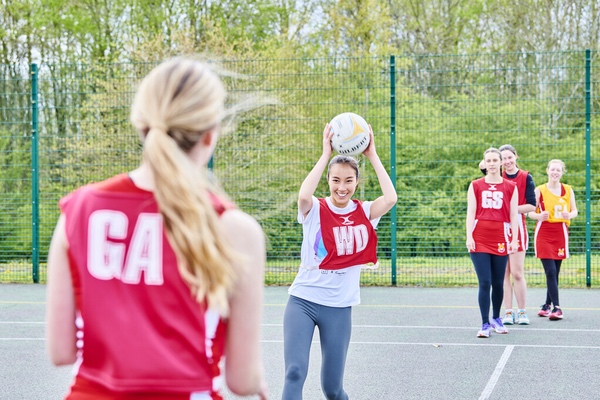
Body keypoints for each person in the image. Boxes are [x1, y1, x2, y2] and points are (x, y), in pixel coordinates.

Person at [46, 58, 268, 400]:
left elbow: (61, 351)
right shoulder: (235, 229)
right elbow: (241, 379)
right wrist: (258, 382)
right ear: (210, 136)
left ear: (140, 124)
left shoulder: (79, 210)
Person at [282, 123, 397, 399]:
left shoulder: (366, 211)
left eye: (348, 180)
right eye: (336, 180)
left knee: (332, 388)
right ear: (328, 181)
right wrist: (325, 154)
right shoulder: (315, 209)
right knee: (294, 372)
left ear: (356, 182)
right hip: (303, 301)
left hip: (339, 307)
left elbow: (391, 198)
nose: (342, 187)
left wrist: (372, 155)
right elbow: (302, 195)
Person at [480, 145, 536, 325]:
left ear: (516, 156)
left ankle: (522, 311)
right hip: (499, 228)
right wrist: (494, 155)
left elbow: (531, 206)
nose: (507, 161)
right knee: (503, 274)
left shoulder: (526, 177)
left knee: (517, 272)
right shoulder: (497, 175)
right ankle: (508, 311)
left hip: (517, 225)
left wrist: (511, 210)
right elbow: (483, 164)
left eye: (510, 157)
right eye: (503, 159)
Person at [467, 148, 519, 338]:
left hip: (501, 237)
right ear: (484, 163)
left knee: (498, 282)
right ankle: (484, 323)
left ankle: (497, 318)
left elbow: (514, 214)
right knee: (485, 282)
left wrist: (514, 239)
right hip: (479, 237)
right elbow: (471, 213)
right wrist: (469, 236)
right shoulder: (475, 185)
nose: (491, 163)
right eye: (488, 160)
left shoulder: (510, 187)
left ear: (500, 163)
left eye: (494, 160)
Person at [528, 159, 578, 321]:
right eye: (552, 169)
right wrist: (538, 215)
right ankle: (557, 308)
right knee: (550, 271)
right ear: (547, 170)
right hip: (544, 233)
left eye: (558, 170)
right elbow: (529, 212)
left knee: (554, 272)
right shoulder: (539, 190)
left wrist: (569, 215)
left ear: (562, 172)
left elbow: (574, 210)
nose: (555, 172)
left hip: (560, 233)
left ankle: (546, 305)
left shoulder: (568, 190)